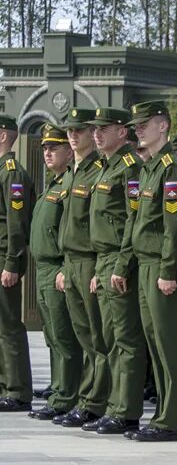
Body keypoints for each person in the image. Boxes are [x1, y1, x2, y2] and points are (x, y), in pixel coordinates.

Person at [125, 100, 177, 441]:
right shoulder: (150, 167)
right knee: (154, 342)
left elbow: (174, 225)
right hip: (145, 265)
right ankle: (162, 415)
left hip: (162, 267)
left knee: (167, 343)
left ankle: (170, 420)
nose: (138, 128)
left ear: (163, 125)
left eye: (145, 123)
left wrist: (168, 269)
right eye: (136, 124)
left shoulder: (171, 168)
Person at [89, 108, 148, 435]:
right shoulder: (106, 166)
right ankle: (114, 405)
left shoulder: (129, 168)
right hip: (103, 258)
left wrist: (122, 263)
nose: (97, 134)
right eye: (95, 129)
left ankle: (126, 410)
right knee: (109, 336)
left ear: (122, 133)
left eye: (105, 128)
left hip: (118, 258)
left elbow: (132, 219)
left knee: (125, 338)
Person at [55, 109, 108, 426]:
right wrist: (64, 265)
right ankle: (86, 396)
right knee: (81, 334)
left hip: (90, 260)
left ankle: (94, 400)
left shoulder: (97, 171)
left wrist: (100, 267)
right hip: (72, 261)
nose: (73, 136)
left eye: (80, 130)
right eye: (70, 131)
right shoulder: (71, 172)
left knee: (96, 335)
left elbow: (99, 225)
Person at [27, 124, 82, 420]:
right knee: (51, 334)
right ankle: (59, 387)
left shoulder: (70, 184)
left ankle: (67, 395)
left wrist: (64, 267)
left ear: (68, 151)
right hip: (43, 267)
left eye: (55, 148)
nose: (48, 153)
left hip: (58, 266)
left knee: (64, 335)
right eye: (45, 148)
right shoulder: (54, 182)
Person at [0, 116, 33, 412]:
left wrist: (12, 261)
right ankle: (4, 384)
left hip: (3, 257)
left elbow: (16, 223)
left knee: (8, 323)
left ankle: (18, 390)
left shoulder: (11, 173)